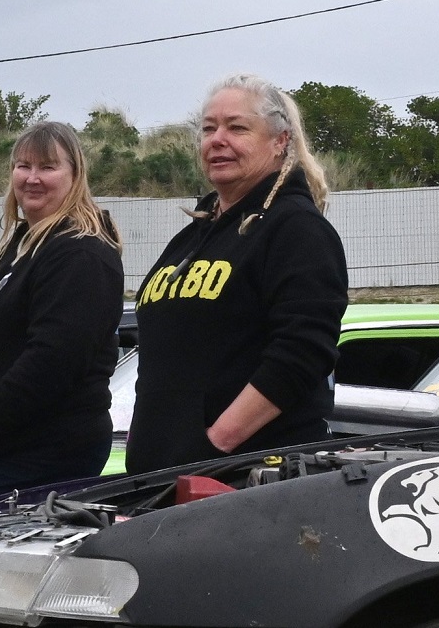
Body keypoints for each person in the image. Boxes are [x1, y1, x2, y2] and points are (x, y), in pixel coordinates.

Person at [128, 74, 348, 474]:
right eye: (208, 128)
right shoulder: (192, 237)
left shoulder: (296, 228)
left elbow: (301, 355)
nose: (217, 139)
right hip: (162, 479)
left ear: (280, 141)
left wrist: (213, 446)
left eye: (237, 127)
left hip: (246, 483)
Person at [0, 122, 124, 506]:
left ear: (75, 175)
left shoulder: (80, 255)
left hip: (43, 453)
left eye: (47, 167)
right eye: (22, 165)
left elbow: (52, 362)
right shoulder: (14, 249)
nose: (32, 178)